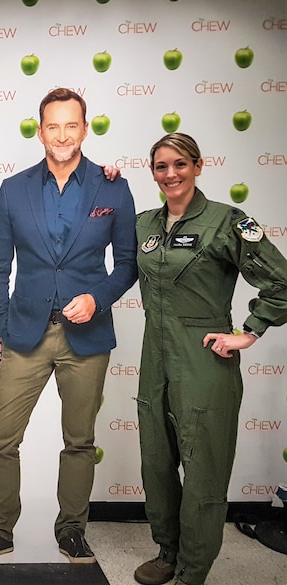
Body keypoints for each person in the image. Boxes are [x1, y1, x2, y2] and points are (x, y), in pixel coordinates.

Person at [0, 88, 138, 565]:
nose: (62, 135)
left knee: (79, 440)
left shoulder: (112, 187)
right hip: (25, 331)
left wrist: (97, 298)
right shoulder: (14, 189)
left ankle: (72, 530)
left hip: (88, 333)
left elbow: (127, 264)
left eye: (71, 125)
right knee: (1, 438)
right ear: (40, 131)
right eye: (53, 126)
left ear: (85, 128)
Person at [133, 133, 287, 585]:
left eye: (180, 164)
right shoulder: (143, 224)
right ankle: (168, 552)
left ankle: (192, 571)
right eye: (161, 166)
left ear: (198, 166)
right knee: (156, 462)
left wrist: (249, 332)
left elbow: (281, 282)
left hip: (204, 361)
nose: (171, 174)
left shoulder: (227, 221)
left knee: (203, 469)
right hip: (155, 358)